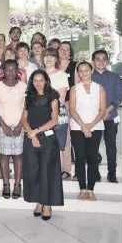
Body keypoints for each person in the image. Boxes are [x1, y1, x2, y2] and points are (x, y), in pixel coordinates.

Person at [22, 69, 63, 221]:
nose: (38, 83)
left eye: (41, 80)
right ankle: (39, 201)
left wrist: (36, 132)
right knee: (34, 171)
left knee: (47, 172)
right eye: (35, 80)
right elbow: (24, 119)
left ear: (46, 80)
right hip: (31, 138)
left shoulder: (52, 96)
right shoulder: (29, 97)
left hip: (48, 139)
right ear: (32, 82)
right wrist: (31, 134)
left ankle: (47, 205)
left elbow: (54, 120)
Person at [70, 61, 106, 201]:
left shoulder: (100, 88)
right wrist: (83, 126)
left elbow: (102, 110)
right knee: (80, 157)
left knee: (92, 157)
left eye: (86, 70)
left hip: (95, 127)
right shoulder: (74, 89)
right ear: (78, 73)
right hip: (77, 127)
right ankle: (82, 188)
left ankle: (90, 189)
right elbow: (72, 110)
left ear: (91, 71)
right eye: (81, 71)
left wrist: (90, 125)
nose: (84, 73)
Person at [0, 59, 27, 199]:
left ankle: (17, 185)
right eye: (7, 69)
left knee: (18, 155)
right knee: (4, 155)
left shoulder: (23, 86)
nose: (10, 72)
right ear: (3, 71)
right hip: (2, 125)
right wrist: (4, 126)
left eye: (13, 69)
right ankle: (6, 184)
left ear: (17, 71)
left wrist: (20, 126)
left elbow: (26, 108)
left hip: (20, 124)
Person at [92, 49, 122, 183]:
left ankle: (112, 173)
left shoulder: (115, 77)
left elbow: (118, 97)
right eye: (97, 59)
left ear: (108, 61)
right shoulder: (88, 77)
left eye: (104, 59)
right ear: (93, 62)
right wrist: (99, 113)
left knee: (111, 144)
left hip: (110, 116)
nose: (101, 62)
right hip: (93, 117)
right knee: (93, 146)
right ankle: (95, 173)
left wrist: (106, 110)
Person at [43, 47, 70, 177]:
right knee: (44, 144)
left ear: (56, 59)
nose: (48, 59)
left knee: (57, 145)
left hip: (58, 114)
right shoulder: (39, 74)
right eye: (46, 56)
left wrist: (44, 100)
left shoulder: (61, 75)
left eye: (51, 56)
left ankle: (57, 174)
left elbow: (62, 97)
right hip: (41, 114)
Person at [58, 41, 80, 180]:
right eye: (62, 49)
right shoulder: (54, 66)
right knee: (64, 139)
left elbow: (77, 88)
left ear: (70, 52)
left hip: (73, 106)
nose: (64, 52)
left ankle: (79, 170)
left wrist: (71, 105)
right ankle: (65, 169)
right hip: (59, 108)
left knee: (77, 139)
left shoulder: (75, 66)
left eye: (67, 49)